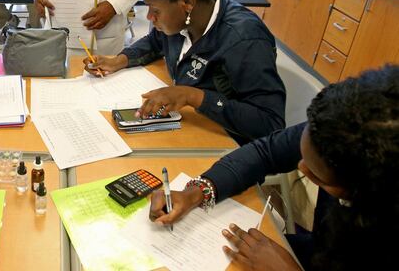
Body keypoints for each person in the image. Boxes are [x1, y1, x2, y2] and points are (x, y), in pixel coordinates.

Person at [148, 65, 399, 270]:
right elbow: (265, 152)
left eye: (317, 176)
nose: (300, 167)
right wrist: (196, 192)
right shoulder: (340, 130)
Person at [85, 0, 285, 144]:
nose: (149, 18)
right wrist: (120, 60)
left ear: (187, 3)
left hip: (227, 142)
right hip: (186, 128)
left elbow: (270, 124)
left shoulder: (244, 39)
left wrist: (192, 96)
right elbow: (155, 42)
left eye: (155, 10)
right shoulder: (184, 19)